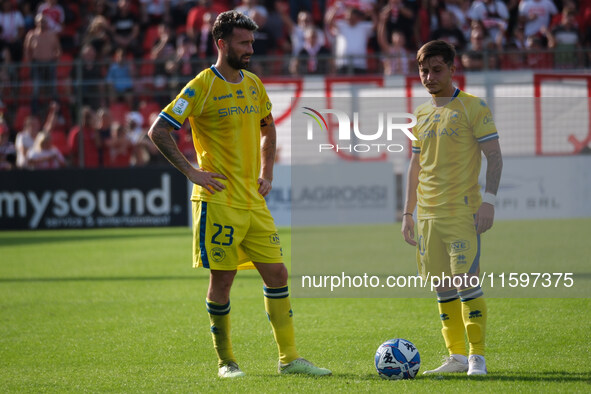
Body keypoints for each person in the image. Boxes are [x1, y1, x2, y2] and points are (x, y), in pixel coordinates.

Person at [148, 10, 331, 379]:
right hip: (218, 202)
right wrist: (192, 172)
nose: (250, 49)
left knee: (277, 274)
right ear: (222, 44)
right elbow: (159, 130)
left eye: (251, 42)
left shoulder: (253, 83)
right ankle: (226, 362)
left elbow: (268, 129)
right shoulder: (201, 86)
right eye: (243, 43)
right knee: (223, 281)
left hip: (253, 200)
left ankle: (290, 359)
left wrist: (267, 172)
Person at [401, 40, 503, 376]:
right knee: (442, 287)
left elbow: (494, 157)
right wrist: (407, 214)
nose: (429, 77)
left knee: (466, 281)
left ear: (452, 69)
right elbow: (416, 167)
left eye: (436, 70)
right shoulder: (420, 113)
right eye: (423, 70)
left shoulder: (474, 107)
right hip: (428, 216)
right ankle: (456, 357)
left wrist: (488, 201)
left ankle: (477, 356)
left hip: (463, 213)